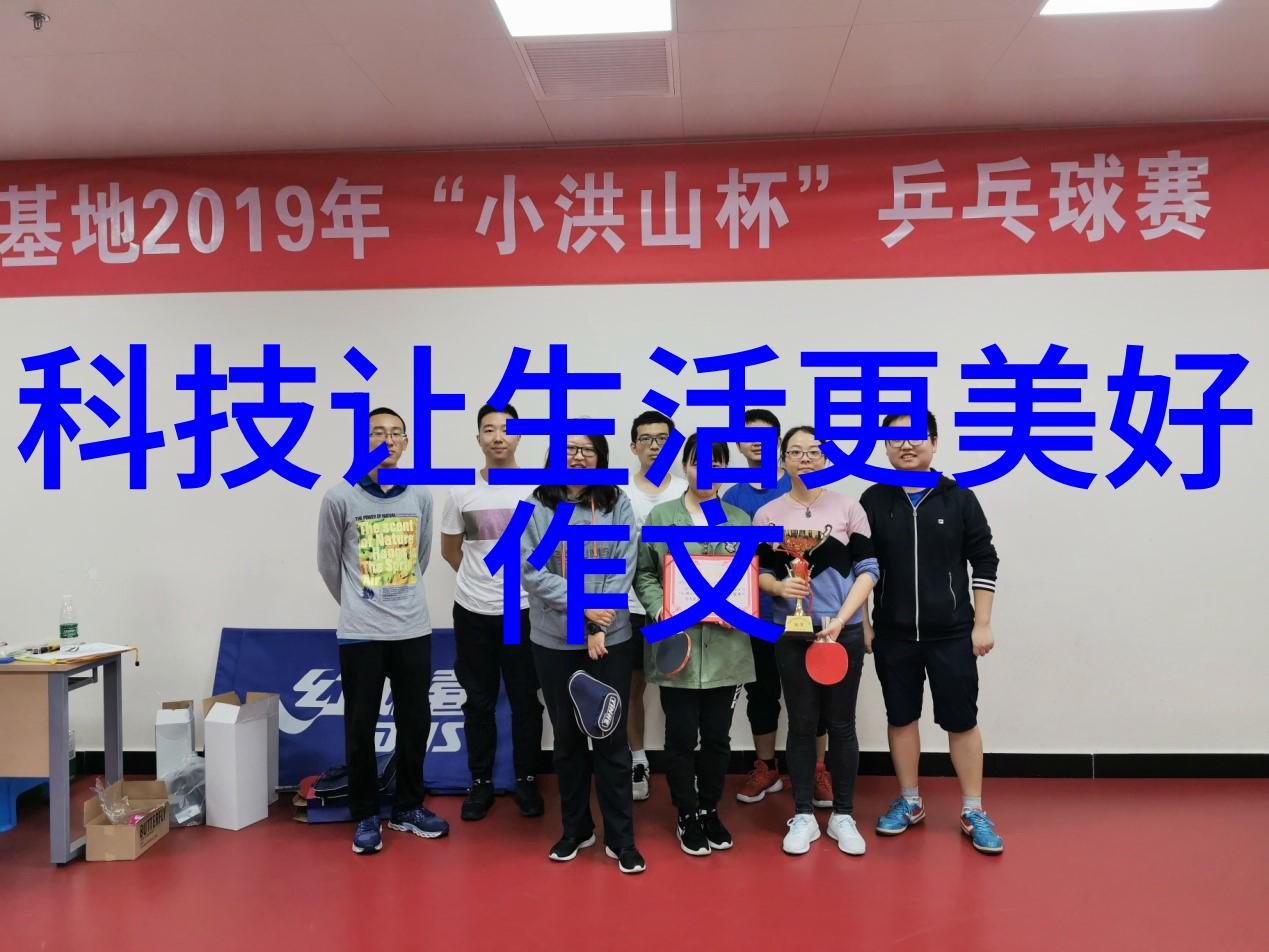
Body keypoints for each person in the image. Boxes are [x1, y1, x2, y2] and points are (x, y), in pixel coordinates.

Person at [860, 412, 1003, 854]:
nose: (906, 445)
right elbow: (861, 567)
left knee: (962, 721)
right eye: (896, 439)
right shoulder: (873, 500)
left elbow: (984, 559)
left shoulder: (958, 498)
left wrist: (982, 623)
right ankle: (910, 801)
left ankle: (974, 809)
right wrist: (865, 623)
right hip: (894, 634)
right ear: (886, 447)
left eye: (916, 437)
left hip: (952, 634)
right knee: (901, 718)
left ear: (934, 443)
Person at [317, 406, 449, 854]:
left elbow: (421, 558)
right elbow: (328, 563)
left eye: (396, 433)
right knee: (360, 725)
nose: (387, 440)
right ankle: (366, 814)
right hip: (361, 633)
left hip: (412, 629)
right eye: (377, 433)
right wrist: (358, 605)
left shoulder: (420, 496)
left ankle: (408, 807)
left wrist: (397, 599)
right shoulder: (340, 496)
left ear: (406, 443)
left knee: (415, 722)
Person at [521, 433, 646, 874]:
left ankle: (621, 837)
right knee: (567, 741)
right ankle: (576, 830)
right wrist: (582, 607)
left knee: (611, 739)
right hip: (554, 642)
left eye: (587, 450)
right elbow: (530, 571)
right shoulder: (536, 506)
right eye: (569, 449)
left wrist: (597, 625)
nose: (577, 456)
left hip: (609, 639)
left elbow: (625, 563)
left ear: (600, 457)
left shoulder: (617, 504)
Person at [754, 426, 878, 856]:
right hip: (792, 632)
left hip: (841, 631)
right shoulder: (767, 515)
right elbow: (760, 572)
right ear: (783, 460)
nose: (805, 458)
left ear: (825, 459)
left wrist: (842, 620)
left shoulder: (849, 508)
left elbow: (869, 571)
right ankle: (804, 814)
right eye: (796, 451)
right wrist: (778, 588)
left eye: (812, 451)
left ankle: (843, 814)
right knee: (802, 722)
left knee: (841, 724)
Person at [634, 433, 754, 856]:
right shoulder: (662, 516)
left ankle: (709, 809)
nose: (707, 472)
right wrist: (659, 608)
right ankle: (686, 813)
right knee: (681, 737)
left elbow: (748, 578)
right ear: (686, 466)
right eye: (699, 462)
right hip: (677, 648)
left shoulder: (739, 520)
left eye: (718, 463)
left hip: (726, 649)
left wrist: (741, 604)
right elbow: (645, 574)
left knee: (718, 738)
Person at [440, 403, 545, 822]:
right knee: (478, 701)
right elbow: (451, 550)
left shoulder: (538, 490)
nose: (498, 436)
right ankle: (480, 782)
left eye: (506, 429)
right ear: (478, 437)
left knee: (526, 701)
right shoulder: (460, 490)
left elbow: (548, 552)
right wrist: (481, 583)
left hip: (523, 610)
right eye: (489, 429)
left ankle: (527, 781)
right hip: (473, 611)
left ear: (519, 436)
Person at [723, 409, 831, 808]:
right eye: (748, 436)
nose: (757, 443)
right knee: (762, 694)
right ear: (738, 443)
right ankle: (766, 767)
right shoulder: (731, 497)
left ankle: (818, 770)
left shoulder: (803, 486)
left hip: (808, 614)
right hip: (756, 615)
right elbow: (727, 559)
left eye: (767, 436)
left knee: (814, 695)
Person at [624, 410, 688, 801]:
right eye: (646, 439)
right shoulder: (619, 492)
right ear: (634, 446)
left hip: (681, 606)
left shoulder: (686, 488)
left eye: (662, 438)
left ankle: (683, 763)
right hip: (630, 605)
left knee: (679, 690)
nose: (654, 445)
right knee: (633, 688)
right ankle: (637, 759)